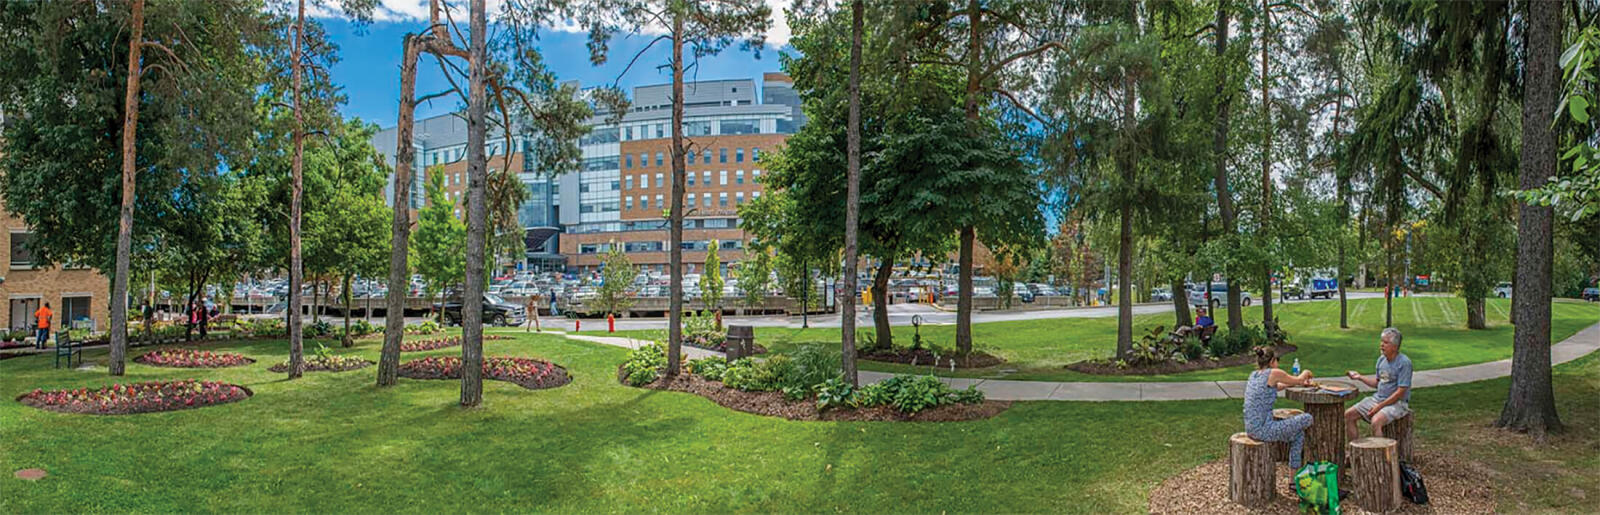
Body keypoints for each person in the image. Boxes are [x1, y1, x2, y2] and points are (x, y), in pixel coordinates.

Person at [1244, 346, 1316, 469]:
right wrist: (1306, 372)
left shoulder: (1254, 375)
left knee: (1298, 435)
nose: (1278, 363)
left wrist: (1294, 383)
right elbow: (1299, 379)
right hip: (1264, 430)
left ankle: (1293, 480)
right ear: (1272, 361)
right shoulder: (1275, 373)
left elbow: (1277, 387)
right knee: (1308, 418)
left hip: (1251, 429)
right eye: (1277, 360)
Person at [1345, 327, 1412, 438]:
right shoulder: (1381, 360)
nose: (1381, 345)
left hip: (1397, 404)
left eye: (1386, 342)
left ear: (1395, 347)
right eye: (1381, 341)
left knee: (1376, 422)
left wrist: (1379, 407)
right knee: (1348, 415)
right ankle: (1355, 452)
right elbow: (1377, 383)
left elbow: (1400, 392)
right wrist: (1359, 377)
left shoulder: (1404, 363)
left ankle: (1379, 455)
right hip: (1377, 399)